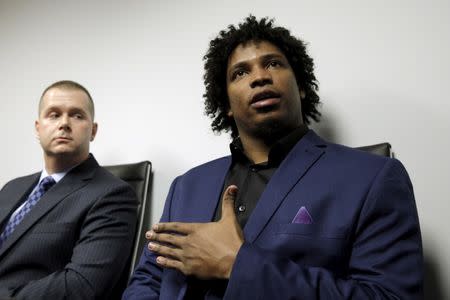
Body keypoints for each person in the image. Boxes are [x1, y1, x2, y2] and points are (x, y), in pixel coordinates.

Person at [123, 16, 423, 299]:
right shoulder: (187, 185)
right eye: (240, 72)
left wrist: (237, 264)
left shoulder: (373, 177)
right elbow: (149, 278)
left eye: (274, 64)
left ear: (302, 86)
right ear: (225, 103)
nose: (260, 77)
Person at [0, 80, 138, 299]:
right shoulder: (11, 188)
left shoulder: (113, 195)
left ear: (93, 131)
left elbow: (81, 285)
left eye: (77, 115)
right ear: (38, 128)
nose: (64, 123)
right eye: (53, 114)